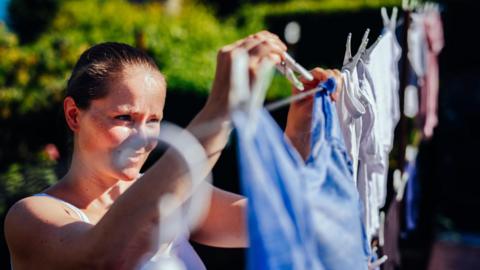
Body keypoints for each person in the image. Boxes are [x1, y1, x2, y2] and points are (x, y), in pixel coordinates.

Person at [4, 30, 342, 269]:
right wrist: (219, 109)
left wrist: (302, 123)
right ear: (74, 115)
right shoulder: (31, 218)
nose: (144, 137)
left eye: (154, 120)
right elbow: (103, 258)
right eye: (125, 117)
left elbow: (275, 216)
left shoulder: (173, 197)